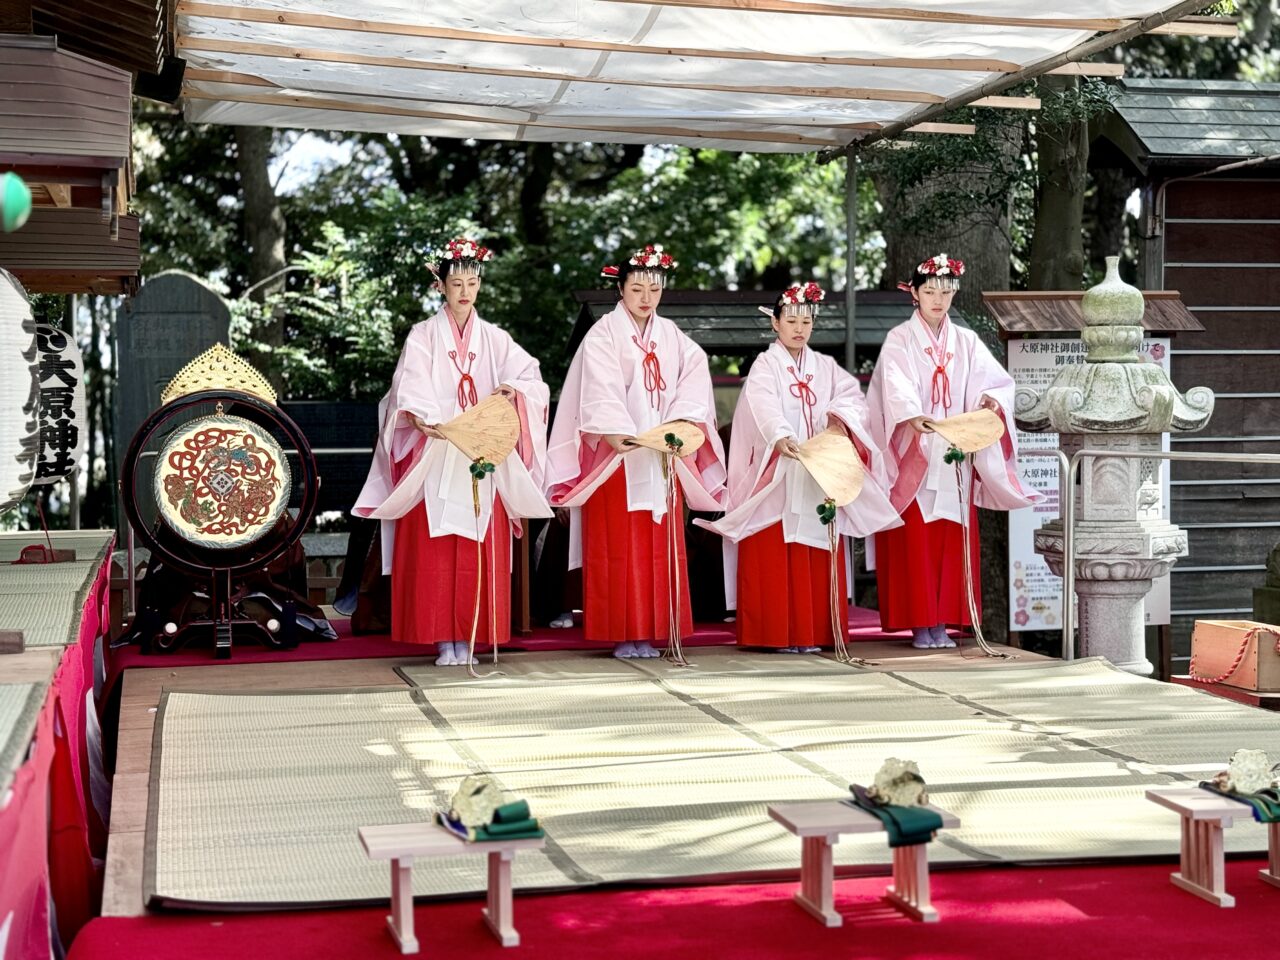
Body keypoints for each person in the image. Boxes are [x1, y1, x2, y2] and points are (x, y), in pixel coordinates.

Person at [353, 238, 551, 665]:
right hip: (439, 450)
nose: (465, 291)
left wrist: (513, 391)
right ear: (440, 285)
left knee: (479, 545)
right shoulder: (423, 335)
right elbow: (410, 385)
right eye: (456, 282)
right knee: (438, 549)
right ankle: (443, 638)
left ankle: (474, 634)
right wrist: (426, 418)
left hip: (482, 451)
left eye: (472, 282)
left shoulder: (496, 339)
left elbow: (530, 377)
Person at [697, 282, 900, 652]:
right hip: (780, 470)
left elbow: (851, 398)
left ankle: (814, 632)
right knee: (777, 551)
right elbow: (762, 404)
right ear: (775, 323)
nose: (799, 327)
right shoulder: (765, 365)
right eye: (791, 319)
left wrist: (840, 420)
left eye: (806, 320)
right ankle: (777, 633)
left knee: (816, 548)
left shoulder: (825, 366)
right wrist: (779, 435)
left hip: (818, 469)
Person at [547, 244, 726, 659]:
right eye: (637, 289)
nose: (647, 298)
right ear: (620, 290)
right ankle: (621, 631)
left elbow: (694, 378)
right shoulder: (603, 334)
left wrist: (677, 427)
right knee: (618, 547)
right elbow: (599, 389)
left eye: (654, 289)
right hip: (619, 459)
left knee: (656, 547)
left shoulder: (673, 337)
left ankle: (650, 631)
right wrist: (616, 431)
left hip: (660, 455)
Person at [866, 253, 1039, 649]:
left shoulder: (966, 341)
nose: (938, 299)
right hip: (919, 449)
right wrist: (913, 416)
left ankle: (943, 623)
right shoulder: (900, 339)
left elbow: (996, 383)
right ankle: (920, 624)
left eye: (945, 291)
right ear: (914, 294)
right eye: (929, 291)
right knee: (917, 539)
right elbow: (895, 387)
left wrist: (989, 404)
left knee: (949, 539)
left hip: (955, 449)